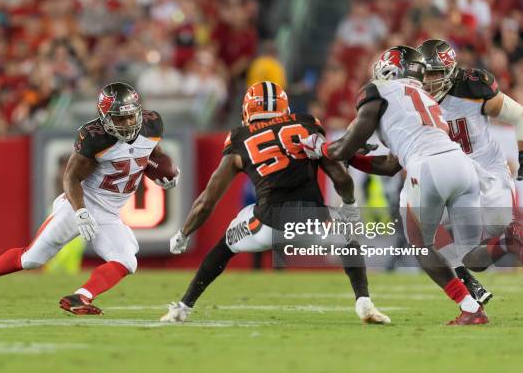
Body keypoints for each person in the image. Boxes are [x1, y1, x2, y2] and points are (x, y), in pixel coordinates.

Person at [161, 81, 390, 324]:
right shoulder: (305, 124)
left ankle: (183, 307)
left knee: (226, 245)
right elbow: (340, 176)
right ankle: (364, 303)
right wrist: (350, 205)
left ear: (248, 109)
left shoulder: (240, 137)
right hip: (313, 222)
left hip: (269, 224)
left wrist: (184, 232)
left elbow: (208, 200)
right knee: (346, 235)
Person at [0, 82, 179, 315]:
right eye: (120, 119)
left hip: (109, 214)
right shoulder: (95, 138)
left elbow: (152, 154)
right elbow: (71, 177)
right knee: (32, 259)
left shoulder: (152, 124)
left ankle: (81, 297)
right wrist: (80, 211)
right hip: (81, 202)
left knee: (127, 259)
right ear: (104, 117)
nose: (128, 124)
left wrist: (165, 173)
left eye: (131, 117)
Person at [303, 46, 488, 325]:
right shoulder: (427, 98)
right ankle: (509, 242)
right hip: (461, 167)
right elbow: (389, 166)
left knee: (419, 245)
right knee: (471, 250)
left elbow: (346, 145)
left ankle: (470, 307)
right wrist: (351, 157)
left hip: (427, 167)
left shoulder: (379, 90)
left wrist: (321, 147)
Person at [415, 39, 523, 300]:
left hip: (487, 171)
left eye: (435, 73)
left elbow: (519, 116)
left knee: (500, 226)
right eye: (425, 73)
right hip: (452, 178)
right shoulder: (412, 98)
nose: (428, 80)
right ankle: (469, 286)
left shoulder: (472, 88)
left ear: (451, 71)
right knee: (425, 236)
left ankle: (508, 239)